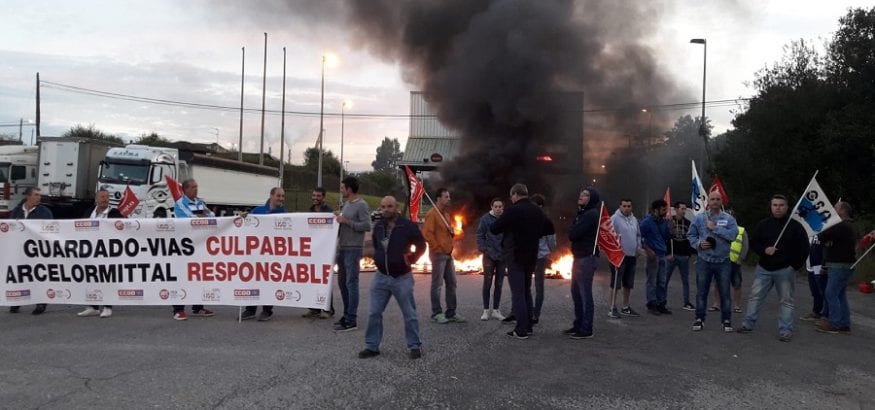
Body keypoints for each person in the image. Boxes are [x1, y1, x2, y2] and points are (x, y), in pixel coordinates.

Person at [358, 196, 426, 360]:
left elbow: (421, 245)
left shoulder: (407, 226)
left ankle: (414, 345)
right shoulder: (379, 226)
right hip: (381, 277)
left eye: (389, 206)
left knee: (409, 314)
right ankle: (372, 346)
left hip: (402, 277)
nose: (386, 210)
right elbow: (375, 245)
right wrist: (379, 259)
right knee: (374, 312)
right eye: (383, 207)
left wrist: (411, 259)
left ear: (396, 207)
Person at [737, 194, 808, 341]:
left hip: (785, 270)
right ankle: (747, 324)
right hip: (764, 268)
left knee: (786, 301)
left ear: (787, 207)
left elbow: (804, 249)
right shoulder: (763, 224)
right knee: (755, 297)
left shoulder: (795, 227)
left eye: (781, 205)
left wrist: (793, 266)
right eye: (775, 205)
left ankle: (785, 330)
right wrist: (764, 250)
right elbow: (754, 243)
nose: (778, 208)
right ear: (771, 207)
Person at [490, 183, 553, 339]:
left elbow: (495, 228)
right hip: (532, 256)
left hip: (515, 257)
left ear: (515, 194)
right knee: (526, 291)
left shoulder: (513, 210)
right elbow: (548, 228)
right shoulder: (537, 211)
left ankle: (521, 329)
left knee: (518, 293)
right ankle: (528, 325)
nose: (511, 199)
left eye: (512, 196)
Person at [687, 191, 738, 332]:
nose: (715, 201)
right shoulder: (699, 219)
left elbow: (733, 235)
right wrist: (698, 244)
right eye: (712, 199)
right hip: (704, 260)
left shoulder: (729, 219)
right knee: (702, 291)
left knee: (725, 292)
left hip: (723, 261)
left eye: (718, 199)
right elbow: (690, 235)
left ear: (722, 201)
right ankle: (699, 319)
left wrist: (715, 228)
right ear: (708, 201)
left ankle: (726, 320)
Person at [171, 179, 216, 321]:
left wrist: (200, 217)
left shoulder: (200, 202)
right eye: (193, 187)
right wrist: (200, 217)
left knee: (198, 275)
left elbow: (212, 216)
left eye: (197, 186)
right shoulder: (179, 204)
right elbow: (187, 218)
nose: (196, 189)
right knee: (182, 276)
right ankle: (178, 309)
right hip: (184, 245)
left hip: (199, 244)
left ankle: (198, 307)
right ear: (185, 189)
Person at [77, 189, 124, 319]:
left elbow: (121, 228)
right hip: (90, 251)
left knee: (106, 279)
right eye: (102, 197)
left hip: (107, 252)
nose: (105, 199)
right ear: (96, 199)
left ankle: (107, 307)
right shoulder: (88, 212)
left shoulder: (114, 213)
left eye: (107, 197)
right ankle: (92, 307)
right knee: (90, 277)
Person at [816, 201, 862, 335]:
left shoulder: (840, 226)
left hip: (839, 265)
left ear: (842, 210)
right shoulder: (851, 225)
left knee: (831, 293)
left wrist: (825, 228)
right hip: (845, 265)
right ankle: (844, 324)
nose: (833, 209)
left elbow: (822, 237)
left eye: (836, 207)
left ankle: (835, 323)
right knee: (840, 294)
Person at [241, 187, 286, 322]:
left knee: (269, 281)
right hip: (256, 253)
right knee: (252, 280)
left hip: (273, 254)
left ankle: (267, 310)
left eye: (283, 196)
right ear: (271, 196)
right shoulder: (258, 210)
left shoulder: (284, 213)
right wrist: (243, 218)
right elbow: (246, 225)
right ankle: (250, 309)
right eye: (278, 196)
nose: (281, 199)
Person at [334, 176, 371, 331]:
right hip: (342, 248)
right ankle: (346, 314)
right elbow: (344, 221)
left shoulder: (361, 205)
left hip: (353, 249)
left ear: (349, 189)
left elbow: (367, 225)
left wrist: (346, 221)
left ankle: (352, 319)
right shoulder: (346, 204)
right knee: (342, 284)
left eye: (342, 188)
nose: (341, 190)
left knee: (351, 283)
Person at [8, 187, 53, 315]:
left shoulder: (45, 212)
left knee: (38, 275)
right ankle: (17, 301)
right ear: (28, 196)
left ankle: (41, 302)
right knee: (19, 275)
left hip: (36, 250)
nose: (39, 197)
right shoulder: (17, 211)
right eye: (36, 195)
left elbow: (50, 229)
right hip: (19, 248)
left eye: (40, 195)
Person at [564, 186, 600, 339]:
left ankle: (586, 328)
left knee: (584, 294)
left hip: (586, 257)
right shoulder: (583, 213)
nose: (581, 196)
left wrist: (573, 230)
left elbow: (573, 234)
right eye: (581, 193)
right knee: (576, 292)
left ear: (591, 198)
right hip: (579, 257)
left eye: (585, 195)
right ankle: (578, 324)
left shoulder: (591, 214)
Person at [423, 188, 464, 323]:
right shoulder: (432, 214)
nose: (449, 199)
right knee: (437, 284)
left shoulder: (446, 215)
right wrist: (437, 247)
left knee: (452, 283)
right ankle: (436, 313)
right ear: (438, 198)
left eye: (449, 196)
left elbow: (446, 233)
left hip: (448, 253)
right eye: (446, 197)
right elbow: (427, 234)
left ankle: (451, 312)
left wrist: (452, 232)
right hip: (438, 254)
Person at [303, 187, 335, 319]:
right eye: (314, 195)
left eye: (318, 196)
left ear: (324, 197)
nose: (315, 198)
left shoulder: (329, 212)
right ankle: (314, 308)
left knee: (325, 280)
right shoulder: (309, 211)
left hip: (325, 250)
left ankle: (328, 309)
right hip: (312, 250)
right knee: (312, 279)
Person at [608, 198, 642, 318]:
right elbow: (609, 235)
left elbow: (638, 235)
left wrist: (638, 247)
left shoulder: (634, 219)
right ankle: (612, 307)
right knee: (616, 282)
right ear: (620, 206)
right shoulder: (614, 219)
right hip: (619, 256)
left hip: (631, 255)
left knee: (628, 283)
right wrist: (613, 250)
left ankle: (625, 306)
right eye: (624, 206)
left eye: (629, 206)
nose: (627, 208)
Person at [640, 199, 672, 315]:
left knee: (662, 281)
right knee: (652, 281)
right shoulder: (647, 222)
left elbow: (667, 238)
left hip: (662, 254)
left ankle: (661, 303)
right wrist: (648, 250)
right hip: (652, 255)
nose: (665, 212)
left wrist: (670, 228)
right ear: (656, 210)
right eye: (663, 210)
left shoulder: (664, 222)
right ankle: (652, 304)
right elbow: (638, 236)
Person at [476, 197, 506, 321]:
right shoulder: (485, 219)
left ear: (503, 208)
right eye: (496, 206)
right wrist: (484, 249)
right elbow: (480, 235)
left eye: (500, 206)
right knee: (487, 283)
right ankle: (486, 310)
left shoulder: (506, 219)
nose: (498, 208)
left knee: (499, 284)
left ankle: (496, 310)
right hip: (489, 255)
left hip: (502, 256)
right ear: (492, 207)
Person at [530, 194, 556, 324]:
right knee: (526, 286)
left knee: (539, 286)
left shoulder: (546, 222)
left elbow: (552, 242)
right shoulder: (526, 220)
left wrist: (545, 252)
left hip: (539, 258)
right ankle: (529, 312)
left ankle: (535, 314)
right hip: (530, 257)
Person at [666, 201, 695, 311]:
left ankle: (686, 302)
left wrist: (689, 253)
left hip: (684, 256)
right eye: (682, 209)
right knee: (665, 279)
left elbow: (691, 239)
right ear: (676, 209)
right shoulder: (669, 221)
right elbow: (666, 238)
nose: (684, 211)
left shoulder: (688, 223)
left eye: (685, 209)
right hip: (672, 255)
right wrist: (667, 253)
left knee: (685, 280)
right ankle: (662, 301)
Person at [801, 235, 828, 321]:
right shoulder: (808, 232)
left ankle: (827, 315)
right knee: (815, 291)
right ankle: (816, 312)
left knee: (824, 292)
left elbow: (825, 249)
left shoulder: (823, 231)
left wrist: (824, 265)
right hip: (810, 266)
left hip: (819, 266)